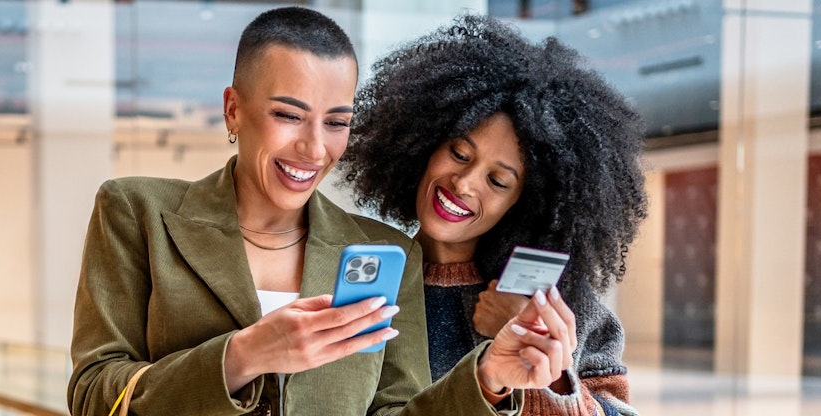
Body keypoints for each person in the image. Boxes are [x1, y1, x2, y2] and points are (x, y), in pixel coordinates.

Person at [68, 7, 570, 416]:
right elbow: (93, 394)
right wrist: (244, 355)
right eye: (288, 115)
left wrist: (488, 379)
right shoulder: (138, 212)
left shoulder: (386, 253)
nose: (313, 149)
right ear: (233, 110)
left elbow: (399, 412)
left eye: (336, 122)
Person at [341, 15, 647, 416]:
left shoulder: (562, 303)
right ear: (423, 144)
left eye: (498, 181)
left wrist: (541, 364)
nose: (465, 183)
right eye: (459, 153)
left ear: (523, 202)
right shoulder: (369, 281)